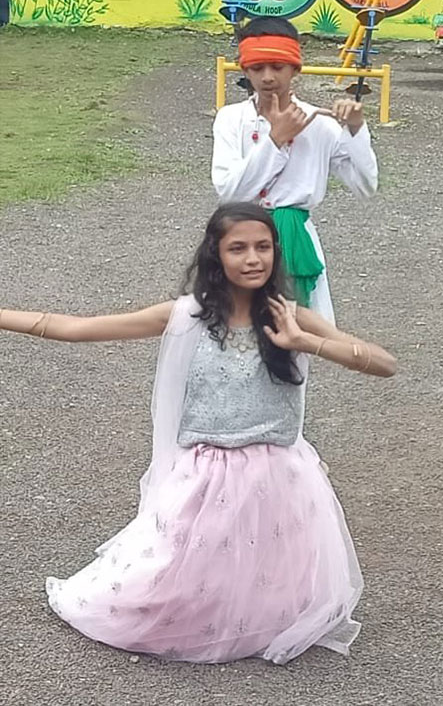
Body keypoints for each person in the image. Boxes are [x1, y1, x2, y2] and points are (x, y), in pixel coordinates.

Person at [0, 203, 396, 664]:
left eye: (263, 247)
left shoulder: (292, 317)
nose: (253, 259)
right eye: (238, 248)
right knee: (169, 570)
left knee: (268, 569)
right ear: (216, 255)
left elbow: (385, 364)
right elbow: (74, 328)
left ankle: (252, 619)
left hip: (279, 471)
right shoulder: (187, 316)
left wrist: (306, 341)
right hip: (207, 471)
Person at [211, 17, 378, 324]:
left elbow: (365, 186)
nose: (267, 77)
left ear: (295, 69)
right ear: (245, 70)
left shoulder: (321, 124)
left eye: (277, 67)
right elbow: (230, 194)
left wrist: (355, 129)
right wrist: (276, 139)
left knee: (303, 327)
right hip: (242, 237)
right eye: (257, 68)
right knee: (240, 325)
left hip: (297, 237)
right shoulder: (231, 119)